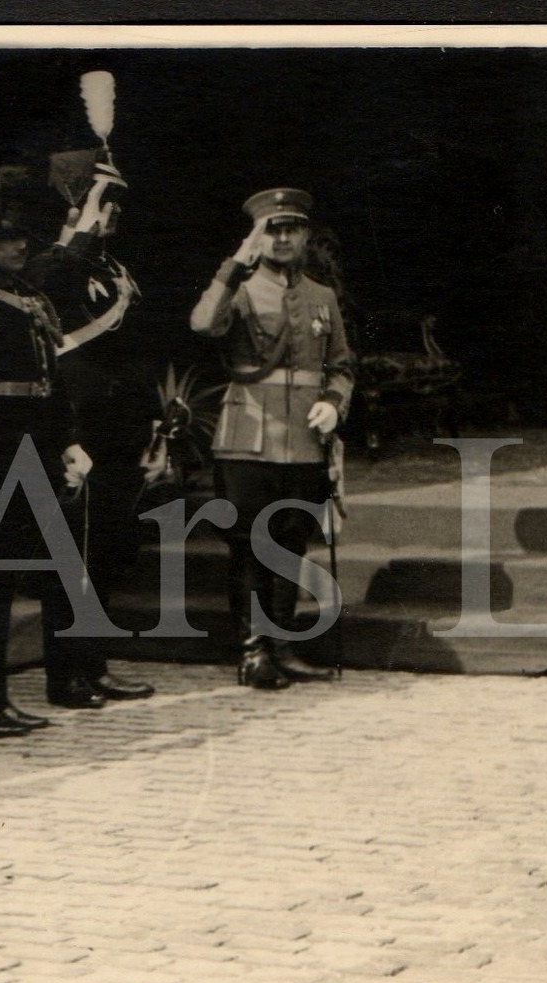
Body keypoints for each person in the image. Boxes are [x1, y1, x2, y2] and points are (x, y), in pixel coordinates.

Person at [189, 188, 354, 690]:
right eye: (272, 230)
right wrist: (231, 267)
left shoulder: (322, 296)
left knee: (290, 540)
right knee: (247, 545)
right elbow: (202, 325)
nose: (283, 238)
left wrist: (334, 401)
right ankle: (252, 650)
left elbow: (341, 367)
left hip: (305, 437)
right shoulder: (239, 289)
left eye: (292, 229)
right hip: (248, 435)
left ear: (305, 236)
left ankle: (283, 647)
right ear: (257, 238)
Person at [24, 153, 159, 708]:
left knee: (105, 553)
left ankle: (93, 664)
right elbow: (49, 287)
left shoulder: (115, 272)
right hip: (79, 430)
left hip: (121, 429)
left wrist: (152, 424)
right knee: (71, 556)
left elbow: (136, 356)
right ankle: (65, 675)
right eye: (104, 200)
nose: (114, 213)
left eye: (117, 202)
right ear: (75, 205)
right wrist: (80, 230)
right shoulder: (50, 264)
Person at [0, 213, 93, 736]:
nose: (16, 247)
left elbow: (48, 383)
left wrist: (67, 441)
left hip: (29, 448)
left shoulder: (28, 297)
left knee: (4, 575)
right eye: (3, 237)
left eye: (20, 237)